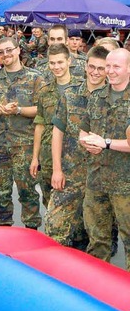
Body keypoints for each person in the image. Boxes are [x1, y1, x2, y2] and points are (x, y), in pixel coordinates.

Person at [0, 36, 45, 229]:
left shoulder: (35, 77)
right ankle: (4, 233)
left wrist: (18, 110)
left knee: (28, 192)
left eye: (9, 50)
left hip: (24, 145)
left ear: (18, 50)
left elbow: (42, 110)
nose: (5, 54)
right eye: (1, 52)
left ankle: (31, 234)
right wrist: (1, 109)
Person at [45, 46, 107, 250]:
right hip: (70, 173)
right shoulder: (71, 94)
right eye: (92, 67)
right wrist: (56, 169)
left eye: (101, 68)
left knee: (95, 235)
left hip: (100, 177)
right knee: (54, 228)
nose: (95, 72)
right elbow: (58, 132)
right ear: (85, 66)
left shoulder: (113, 99)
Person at [78, 48, 130, 270]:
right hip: (97, 180)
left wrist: (105, 143)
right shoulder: (97, 97)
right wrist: (88, 142)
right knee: (97, 241)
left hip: (125, 184)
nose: (110, 71)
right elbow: (83, 131)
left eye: (116, 66)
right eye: (108, 66)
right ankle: (98, 294)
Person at [30, 44, 84, 208]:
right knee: (51, 205)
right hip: (48, 158)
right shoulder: (44, 91)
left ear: (69, 61)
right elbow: (40, 125)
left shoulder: (83, 88)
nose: (56, 67)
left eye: (60, 62)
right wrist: (35, 158)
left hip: (77, 158)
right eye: (52, 63)